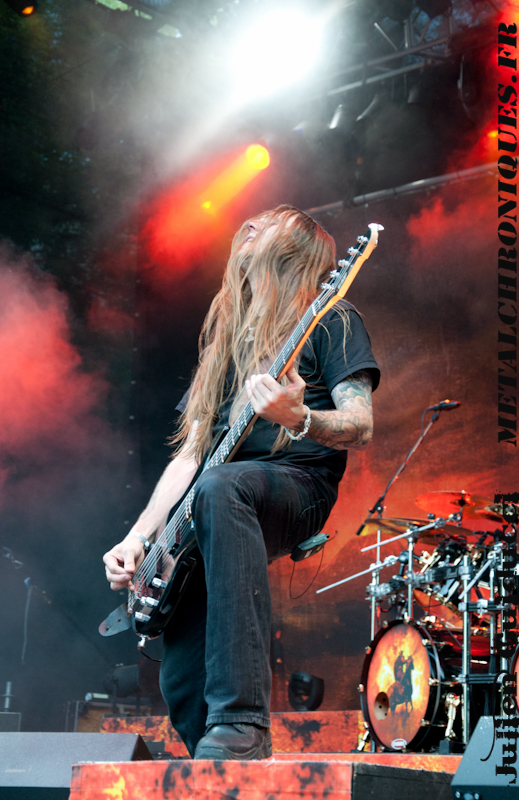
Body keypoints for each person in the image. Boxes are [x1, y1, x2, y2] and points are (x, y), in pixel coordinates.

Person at [103, 205, 379, 761]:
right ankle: (222, 767)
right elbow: (190, 455)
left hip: (297, 485)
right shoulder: (226, 344)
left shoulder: (331, 317)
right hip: (215, 500)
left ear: (297, 249)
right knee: (182, 683)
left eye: (272, 221)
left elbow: (361, 425)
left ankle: (243, 722)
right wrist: (138, 537)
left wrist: (300, 417)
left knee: (222, 486)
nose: (252, 223)